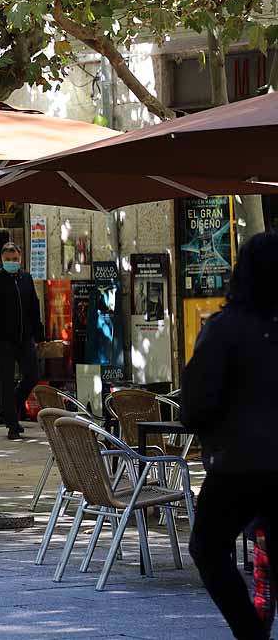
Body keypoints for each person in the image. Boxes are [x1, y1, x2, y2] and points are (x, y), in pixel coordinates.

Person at [182, 231, 278, 640]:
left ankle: (249, 631)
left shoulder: (225, 328)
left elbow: (196, 404)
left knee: (208, 547)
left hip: (238, 464)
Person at [0, 243, 42, 440]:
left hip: (24, 338)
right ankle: (12, 425)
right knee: (5, 381)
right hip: (2, 339)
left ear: (20, 258)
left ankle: (10, 408)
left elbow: (34, 306)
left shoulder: (26, 278)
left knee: (32, 375)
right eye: (7, 260)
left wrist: (38, 335)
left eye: (14, 259)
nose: (11, 263)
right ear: (1, 259)